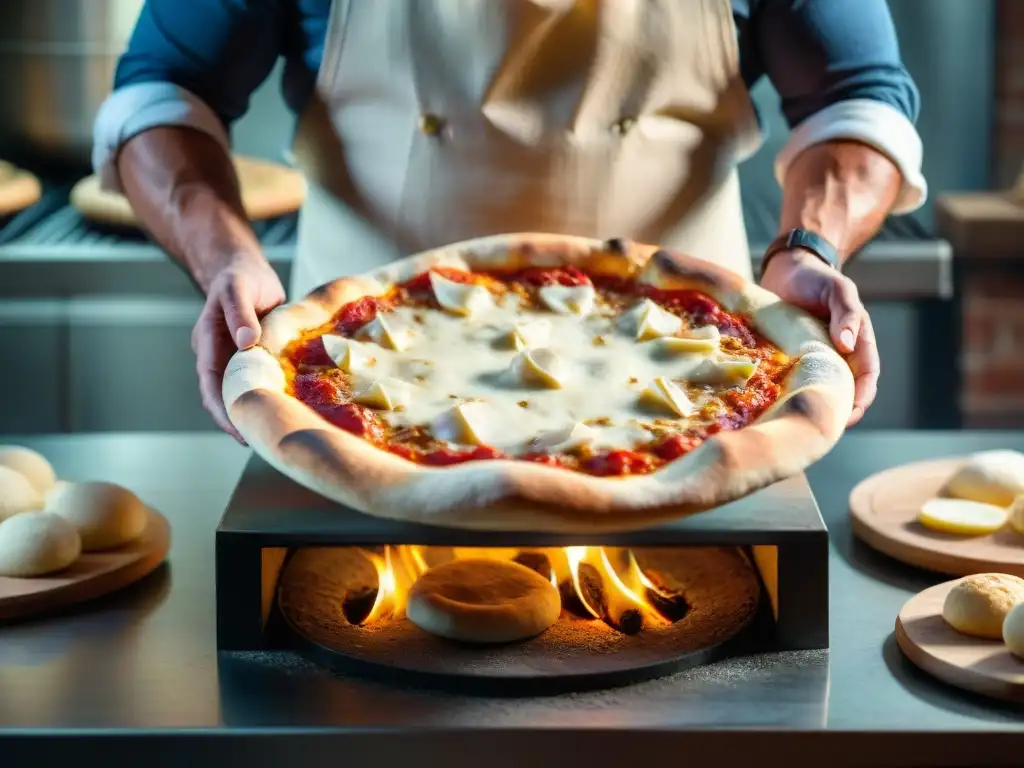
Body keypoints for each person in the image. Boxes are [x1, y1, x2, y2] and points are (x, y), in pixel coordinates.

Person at [93, 0, 926, 442]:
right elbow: (162, 93)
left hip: (698, 392)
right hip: (360, 389)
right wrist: (227, 261)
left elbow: (859, 101)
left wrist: (807, 244)